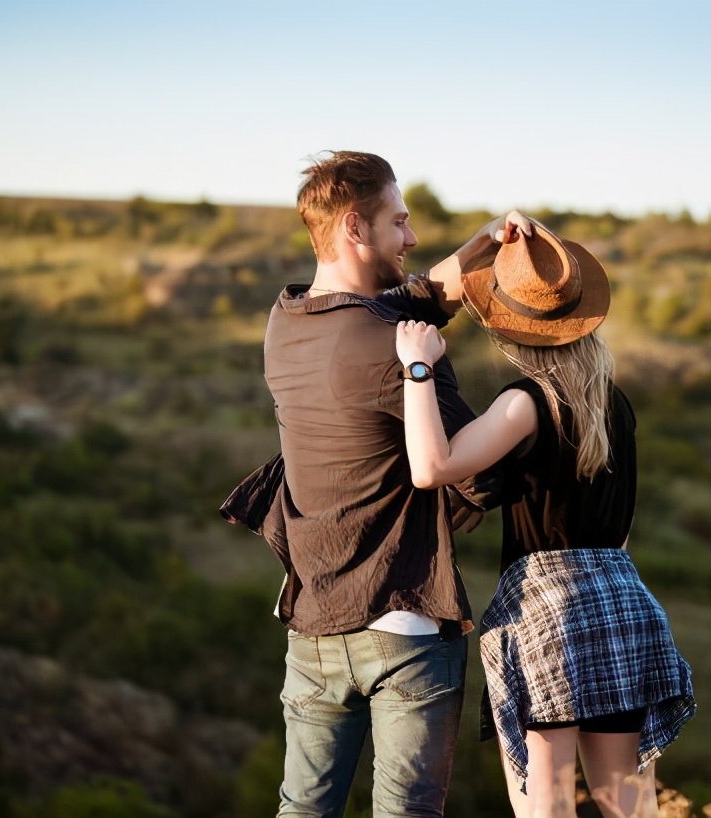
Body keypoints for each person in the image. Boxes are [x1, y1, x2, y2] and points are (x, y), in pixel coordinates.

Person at [229, 150, 530, 818]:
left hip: (312, 628)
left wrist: (484, 244)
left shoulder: (286, 321)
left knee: (301, 810)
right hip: (405, 633)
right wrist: (532, 415)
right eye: (399, 221)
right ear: (355, 231)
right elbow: (481, 479)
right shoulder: (392, 346)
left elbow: (408, 293)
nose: (412, 236)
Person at [395, 221, 696, 818]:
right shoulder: (615, 403)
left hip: (548, 614)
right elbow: (623, 527)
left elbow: (432, 467)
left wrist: (418, 368)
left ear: (512, 327)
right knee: (630, 808)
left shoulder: (526, 402)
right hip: (623, 601)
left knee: (546, 808)